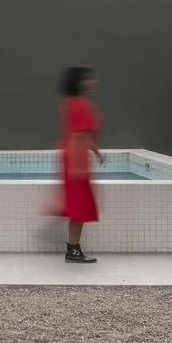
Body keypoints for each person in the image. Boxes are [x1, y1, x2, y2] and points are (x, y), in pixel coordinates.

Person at [58, 65, 102, 263]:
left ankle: (73, 249)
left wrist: (96, 152)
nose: (92, 82)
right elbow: (79, 134)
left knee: (79, 207)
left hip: (74, 156)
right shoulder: (79, 103)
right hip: (76, 159)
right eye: (88, 79)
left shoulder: (72, 102)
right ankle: (73, 250)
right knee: (80, 206)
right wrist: (79, 166)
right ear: (79, 82)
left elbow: (80, 134)